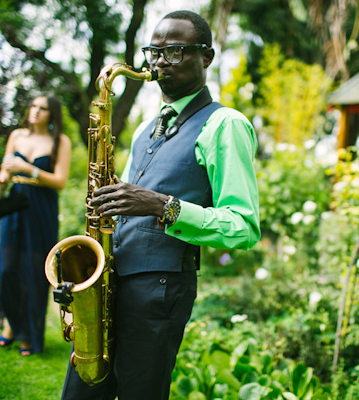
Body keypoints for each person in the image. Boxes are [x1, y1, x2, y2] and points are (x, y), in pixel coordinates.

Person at [61, 10, 260, 400]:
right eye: (154, 52)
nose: (157, 63)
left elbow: (243, 227)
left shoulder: (226, 124)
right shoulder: (143, 129)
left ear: (207, 57)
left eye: (174, 52)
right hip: (111, 282)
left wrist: (162, 205)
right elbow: (136, 206)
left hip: (161, 289)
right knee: (81, 393)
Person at [0, 94, 72, 356]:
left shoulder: (61, 141)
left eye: (43, 108)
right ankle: (13, 324)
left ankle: (27, 336)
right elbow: (6, 169)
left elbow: (60, 181)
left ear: (52, 114)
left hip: (41, 207)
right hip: (16, 203)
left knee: (35, 273)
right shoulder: (17, 136)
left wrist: (28, 168)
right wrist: (0, 180)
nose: (36, 111)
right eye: (33, 106)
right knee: (8, 268)